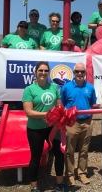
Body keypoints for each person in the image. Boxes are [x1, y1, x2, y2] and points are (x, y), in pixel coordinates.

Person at [22, 61, 65, 192]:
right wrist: (48, 114)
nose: (43, 73)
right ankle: (34, 186)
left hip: (53, 127)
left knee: (59, 154)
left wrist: (60, 113)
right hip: (35, 129)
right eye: (41, 70)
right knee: (36, 157)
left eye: (46, 70)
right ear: (35, 72)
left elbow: (59, 106)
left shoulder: (54, 87)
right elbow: (28, 112)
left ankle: (59, 183)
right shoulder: (29, 89)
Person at [61, 63, 97, 186]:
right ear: (74, 72)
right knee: (70, 151)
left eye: (82, 72)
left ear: (85, 73)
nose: (80, 74)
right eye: (77, 72)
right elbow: (63, 103)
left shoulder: (90, 88)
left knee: (84, 150)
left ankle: (82, 173)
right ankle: (70, 175)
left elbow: (92, 103)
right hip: (72, 123)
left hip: (86, 123)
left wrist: (89, 120)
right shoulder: (66, 87)